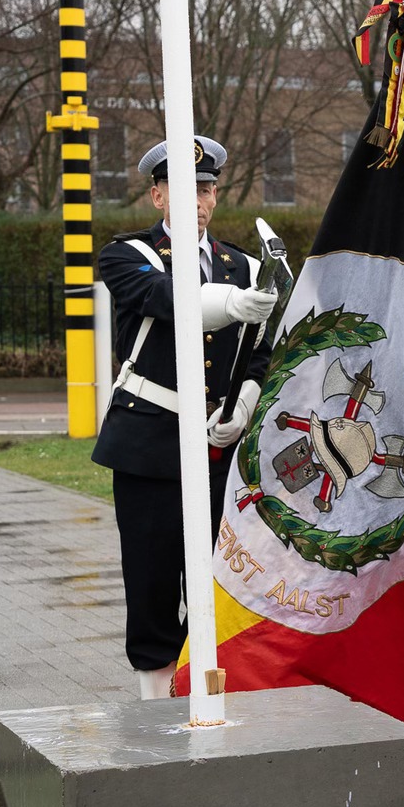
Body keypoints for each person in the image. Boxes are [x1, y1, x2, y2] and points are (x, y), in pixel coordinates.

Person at [92, 136, 276, 699]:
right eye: (183, 188)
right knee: (151, 577)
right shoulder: (126, 255)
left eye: (206, 188)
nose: (198, 199)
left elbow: (262, 353)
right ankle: (152, 699)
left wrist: (242, 408)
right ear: (156, 195)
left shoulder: (243, 264)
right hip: (149, 439)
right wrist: (229, 305)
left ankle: (204, 692)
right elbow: (164, 297)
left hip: (219, 447)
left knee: (214, 578)